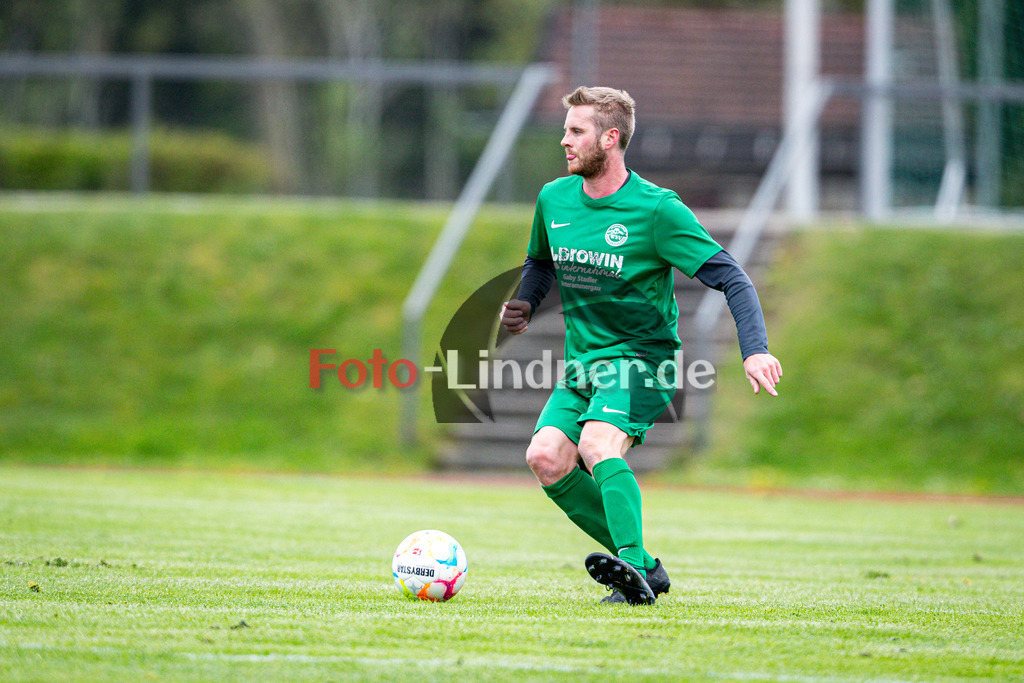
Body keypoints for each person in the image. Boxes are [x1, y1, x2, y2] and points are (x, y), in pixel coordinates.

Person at [500, 86, 782, 605]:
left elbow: (733, 278)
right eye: (565, 130)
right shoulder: (554, 199)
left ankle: (631, 571)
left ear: (610, 138)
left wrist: (755, 348)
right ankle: (645, 567)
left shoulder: (656, 210)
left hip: (643, 363)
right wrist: (525, 301)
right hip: (583, 366)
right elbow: (540, 261)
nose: (564, 141)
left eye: (575, 131)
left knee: (597, 445)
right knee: (545, 457)